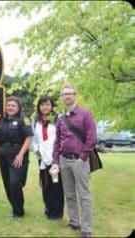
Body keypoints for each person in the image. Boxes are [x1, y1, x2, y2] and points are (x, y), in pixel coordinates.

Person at [50, 85, 96, 238]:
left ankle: (86, 229)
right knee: (69, 194)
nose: (67, 96)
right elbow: (57, 141)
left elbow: (91, 139)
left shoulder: (85, 114)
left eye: (70, 94)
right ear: (62, 97)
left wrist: (83, 158)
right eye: (64, 94)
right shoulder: (60, 118)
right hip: (63, 160)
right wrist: (55, 161)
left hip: (79, 161)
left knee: (84, 196)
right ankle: (74, 222)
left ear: (75, 95)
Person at [0, 96, 33, 219]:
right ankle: (15, 209)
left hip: (17, 154)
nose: (10, 107)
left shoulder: (23, 120)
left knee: (15, 183)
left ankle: (18, 212)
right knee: (7, 183)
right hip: (3, 154)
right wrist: (0, 149)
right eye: (8, 105)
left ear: (18, 108)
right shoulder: (2, 120)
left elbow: (29, 137)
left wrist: (21, 154)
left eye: (13, 105)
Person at [31, 95, 64, 220]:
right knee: (45, 185)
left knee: (56, 185)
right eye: (42, 104)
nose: (45, 107)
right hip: (42, 158)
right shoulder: (35, 122)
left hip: (56, 158)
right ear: (39, 107)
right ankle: (48, 209)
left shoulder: (58, 119)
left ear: (52, 106)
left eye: (47, 104)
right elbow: (33, 140)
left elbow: (61, 138)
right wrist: (36, 149)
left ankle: (57, 213)